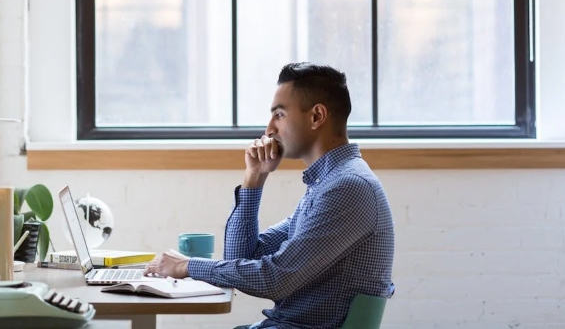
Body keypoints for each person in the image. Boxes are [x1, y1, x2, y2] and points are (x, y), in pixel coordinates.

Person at [146, 62, 395, 328]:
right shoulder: (326, 185)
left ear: (316, 116)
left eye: (279, 114)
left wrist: (187, 266)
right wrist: (254, 178)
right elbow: (240, 258)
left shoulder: (347, 187)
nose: (268, 130)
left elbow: (276, 280)